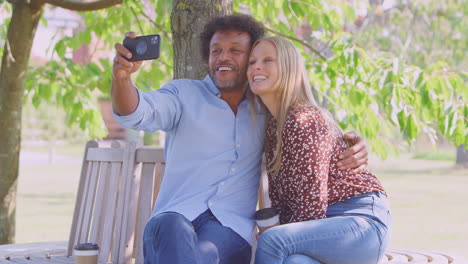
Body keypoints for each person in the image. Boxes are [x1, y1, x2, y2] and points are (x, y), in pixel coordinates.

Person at [111, 14, 370, 264]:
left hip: (228, 229)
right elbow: (135, 111)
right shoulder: (183, 94)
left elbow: (313, 131)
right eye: (216, 51)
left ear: (251, 60)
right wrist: (121, 78)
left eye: (235, 50)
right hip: (172, 222)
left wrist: (355, 142)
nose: (223, 57)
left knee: (202, 255)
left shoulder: (266, 110)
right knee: (172, 225)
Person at [247, 36, 392, 264]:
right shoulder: (273, 127)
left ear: (289, 68)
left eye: (267, 60)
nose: (256, 66)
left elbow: (311, 204)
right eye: (252, 61)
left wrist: (275, 235)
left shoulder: (304, 120)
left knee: (273, 241)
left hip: (360, 224)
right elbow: (283, 201)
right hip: (322, 229)